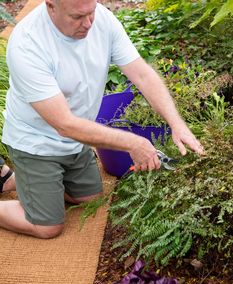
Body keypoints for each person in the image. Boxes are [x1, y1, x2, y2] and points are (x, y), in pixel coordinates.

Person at [0, 0, 204, 239]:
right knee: (48, 227)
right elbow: (64, 124)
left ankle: (15, 181)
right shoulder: (27, 44)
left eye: (91, 12)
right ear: (50, 6)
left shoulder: (102, 20)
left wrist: (176, 123)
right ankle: (29, 181)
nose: (88, 24)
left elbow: (142, 74)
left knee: (90, 199)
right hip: (36, 142)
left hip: (77, 140)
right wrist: (134, 143)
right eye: (77, 17)